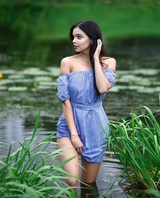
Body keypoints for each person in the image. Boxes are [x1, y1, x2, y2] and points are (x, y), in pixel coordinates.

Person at [56, 20, 117, 190]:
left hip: (96, 128)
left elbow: (103, 87)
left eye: (79, 37)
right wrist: (74, 135)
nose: (74, 41)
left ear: (92, 40)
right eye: (73, 37)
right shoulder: (67, 62)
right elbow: (65, 102)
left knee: (88, 185)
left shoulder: (108, 62)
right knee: (72, 181)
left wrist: (96, 60)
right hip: (69, 127)